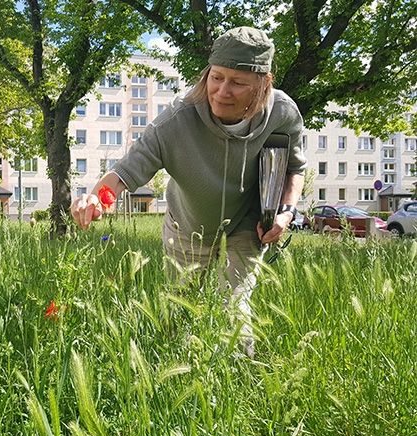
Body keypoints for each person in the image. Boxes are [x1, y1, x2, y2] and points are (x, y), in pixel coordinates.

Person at [70, 26, 307, 357]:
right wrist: (95, 196)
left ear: (263, 85)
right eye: (216, 77)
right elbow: (127, 170)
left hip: (246, 224)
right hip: (187, 228)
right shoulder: (178, 119)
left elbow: (294, 169)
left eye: (238, 82)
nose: (222, 91)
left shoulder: (282, 113)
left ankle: (236, 386)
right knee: (180, 311)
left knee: (233, 310)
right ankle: (178, 378)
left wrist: (285, 212)